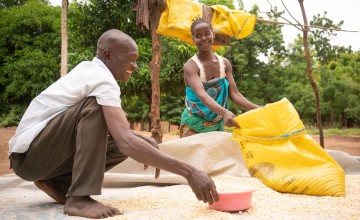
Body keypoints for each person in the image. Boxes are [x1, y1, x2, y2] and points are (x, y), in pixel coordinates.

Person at [8, 29, 219, 219]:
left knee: (125, 140)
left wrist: (144, 143)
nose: (135, 66)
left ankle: (57, 182)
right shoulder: (102, 79)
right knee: (99, 110)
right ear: (108, 55)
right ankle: (79, 198)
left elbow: (123, 137)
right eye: (131, 60)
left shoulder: (90, 70)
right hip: (29, 158)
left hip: (39, 160)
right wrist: (191, 173)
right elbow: (126, 140)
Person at [180, 18, 262, 138]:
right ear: (193, 40)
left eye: (207, 34)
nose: (203, 38)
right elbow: (201, 94)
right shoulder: (190, 66)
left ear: (213, 35)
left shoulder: (224, 63)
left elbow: (234, 94)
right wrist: (225, 113)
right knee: (191, 157)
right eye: (198, 36)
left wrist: (257, 108)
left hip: (217, 124)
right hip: (193, 124)